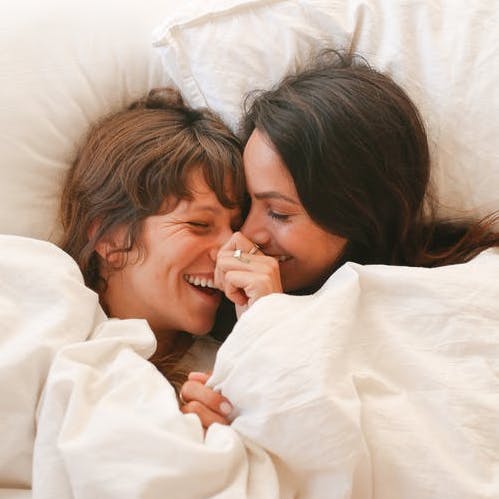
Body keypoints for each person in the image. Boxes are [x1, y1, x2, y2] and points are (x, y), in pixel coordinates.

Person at [180, 50, 499, 420]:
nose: (247, 233)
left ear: (358, 211)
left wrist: (272, 324)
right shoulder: (218, 311)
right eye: (246, 203)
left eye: (279, 212)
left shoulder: (460, 296)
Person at [59, 86, 245, 425]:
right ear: (110, 238)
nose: (230, 251)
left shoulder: (227, 376)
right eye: (199, 224)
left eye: (236, 227)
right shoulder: (44, 319)